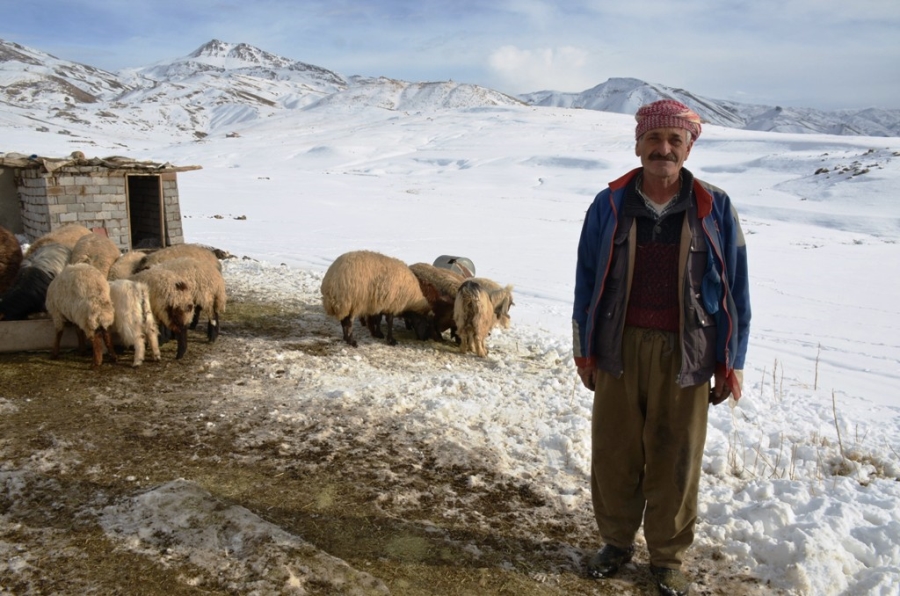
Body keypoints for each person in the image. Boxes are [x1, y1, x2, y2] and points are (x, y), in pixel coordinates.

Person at [572, 99, 751, 596]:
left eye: (675, 140)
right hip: (617, 346)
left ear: (689, 147)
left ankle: (667, 558)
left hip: (688, 352)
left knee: (677, 457)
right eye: (654, 139)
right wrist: (582, 349)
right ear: (638, 145)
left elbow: (737, 290)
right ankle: (615, 543)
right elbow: (586, 282)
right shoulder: (608, 204)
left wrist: (731, 361)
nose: (664, 149)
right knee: (614, 453)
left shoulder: (715, 207)